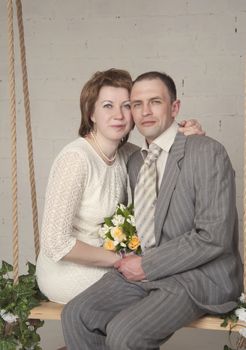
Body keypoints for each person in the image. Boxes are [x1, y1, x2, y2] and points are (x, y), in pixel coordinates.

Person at [61, 71, 243, 350]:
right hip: (152, 269)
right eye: (136, 104)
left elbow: (213, 235)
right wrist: (142, 263)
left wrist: (147, 264)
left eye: (155, 102)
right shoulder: (136, 161)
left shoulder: (206, 152)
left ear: (175, 108)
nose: (145, 111)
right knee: (77, 315)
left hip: (200, 275)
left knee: (125, 333)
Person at [36, 69, 203, 304]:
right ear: (91, 113)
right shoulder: (76, 159)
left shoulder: (129, 155)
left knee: (161, 278)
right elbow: (56, 245)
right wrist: (120, 258)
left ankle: (110, 340)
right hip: (67, 270)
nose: (119, 115)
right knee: (155, 286)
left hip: (111, 261)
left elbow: (164, 152)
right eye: (107, 106)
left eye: (126, 106)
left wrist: (186, 134)